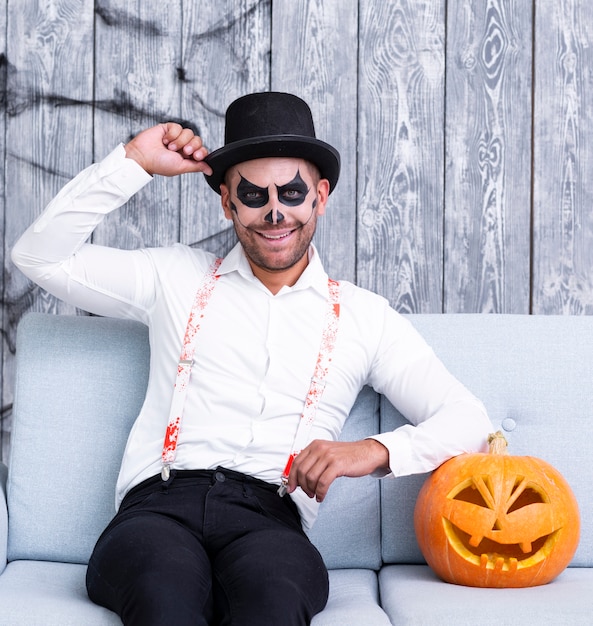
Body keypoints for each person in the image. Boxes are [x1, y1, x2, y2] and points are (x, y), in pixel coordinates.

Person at [11, 92, 491, 625]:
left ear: (320, 196)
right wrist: (133, 162)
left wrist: (372, 451)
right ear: (227, 202)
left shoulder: (365, 317)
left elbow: (469, 421)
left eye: (291, 191)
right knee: (162, 595)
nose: (275, 211)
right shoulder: (175, 278)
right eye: (253, 194)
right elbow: (38, 257)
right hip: (157, 510)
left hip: (271, 522)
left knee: (275, 602)